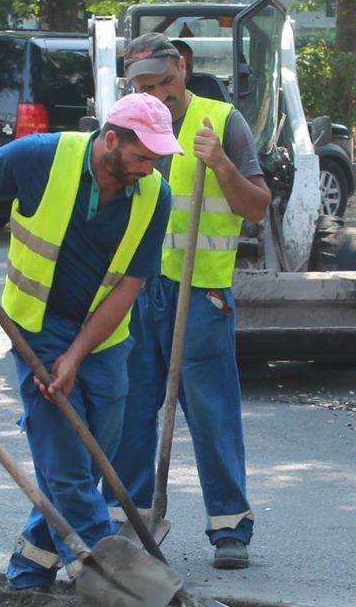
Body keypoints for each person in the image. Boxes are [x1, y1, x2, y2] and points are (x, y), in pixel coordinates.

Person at [0, 92, 176, 591]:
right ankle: (116, 579)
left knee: (95, 454)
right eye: (142, 156)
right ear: (110, 139)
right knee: (68, 463)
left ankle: (31, 567)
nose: (149, 167)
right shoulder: (41, 156)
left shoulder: (155, 192)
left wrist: (77, 355)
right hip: (38, 325)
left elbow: (130, 286)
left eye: (157, 158)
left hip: (106, 335)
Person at [110, 31, 272, 570]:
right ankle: (131, 524)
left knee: (211, 411)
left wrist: (222, 164)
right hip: (136, 292)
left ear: (183, 67)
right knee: (130, 410)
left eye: (165, 82)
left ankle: (230, 528)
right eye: (144, 86)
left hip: (201, 294)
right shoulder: (123, 124)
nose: (157, 95)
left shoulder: (222, 121)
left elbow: (257, 209)